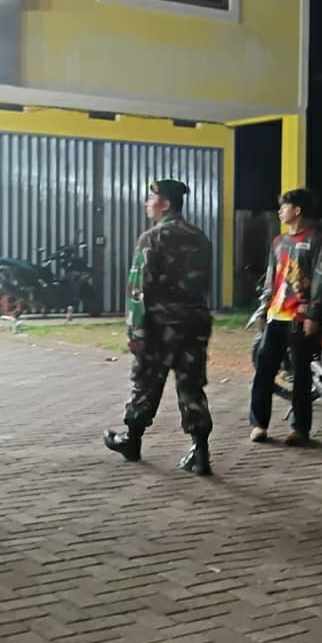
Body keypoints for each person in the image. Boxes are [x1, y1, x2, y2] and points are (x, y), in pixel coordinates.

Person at [103, 178, 215, 476]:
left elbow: (138, 289)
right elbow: (204, 284)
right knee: (191, 385)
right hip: (194, 323)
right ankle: (200, 451)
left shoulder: (152, 238)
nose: (146, 204)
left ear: (164, 204)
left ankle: (132, 440)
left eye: (151, 199)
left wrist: (135, 330)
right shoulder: (200, 237)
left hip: (159, 325)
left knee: (146, 383)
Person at [249, 188, 322, 446]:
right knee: (264, 369)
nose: (279, 211)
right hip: (276, 315)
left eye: (283, 207)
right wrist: (263, 310)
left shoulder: (316, 241)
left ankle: (300, 428)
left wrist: (313, 315)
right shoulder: (278, 242)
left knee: (301, 374)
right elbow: (271, 279)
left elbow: (320, 280)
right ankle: (259, 424)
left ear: (297, 210)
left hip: (300, 317)